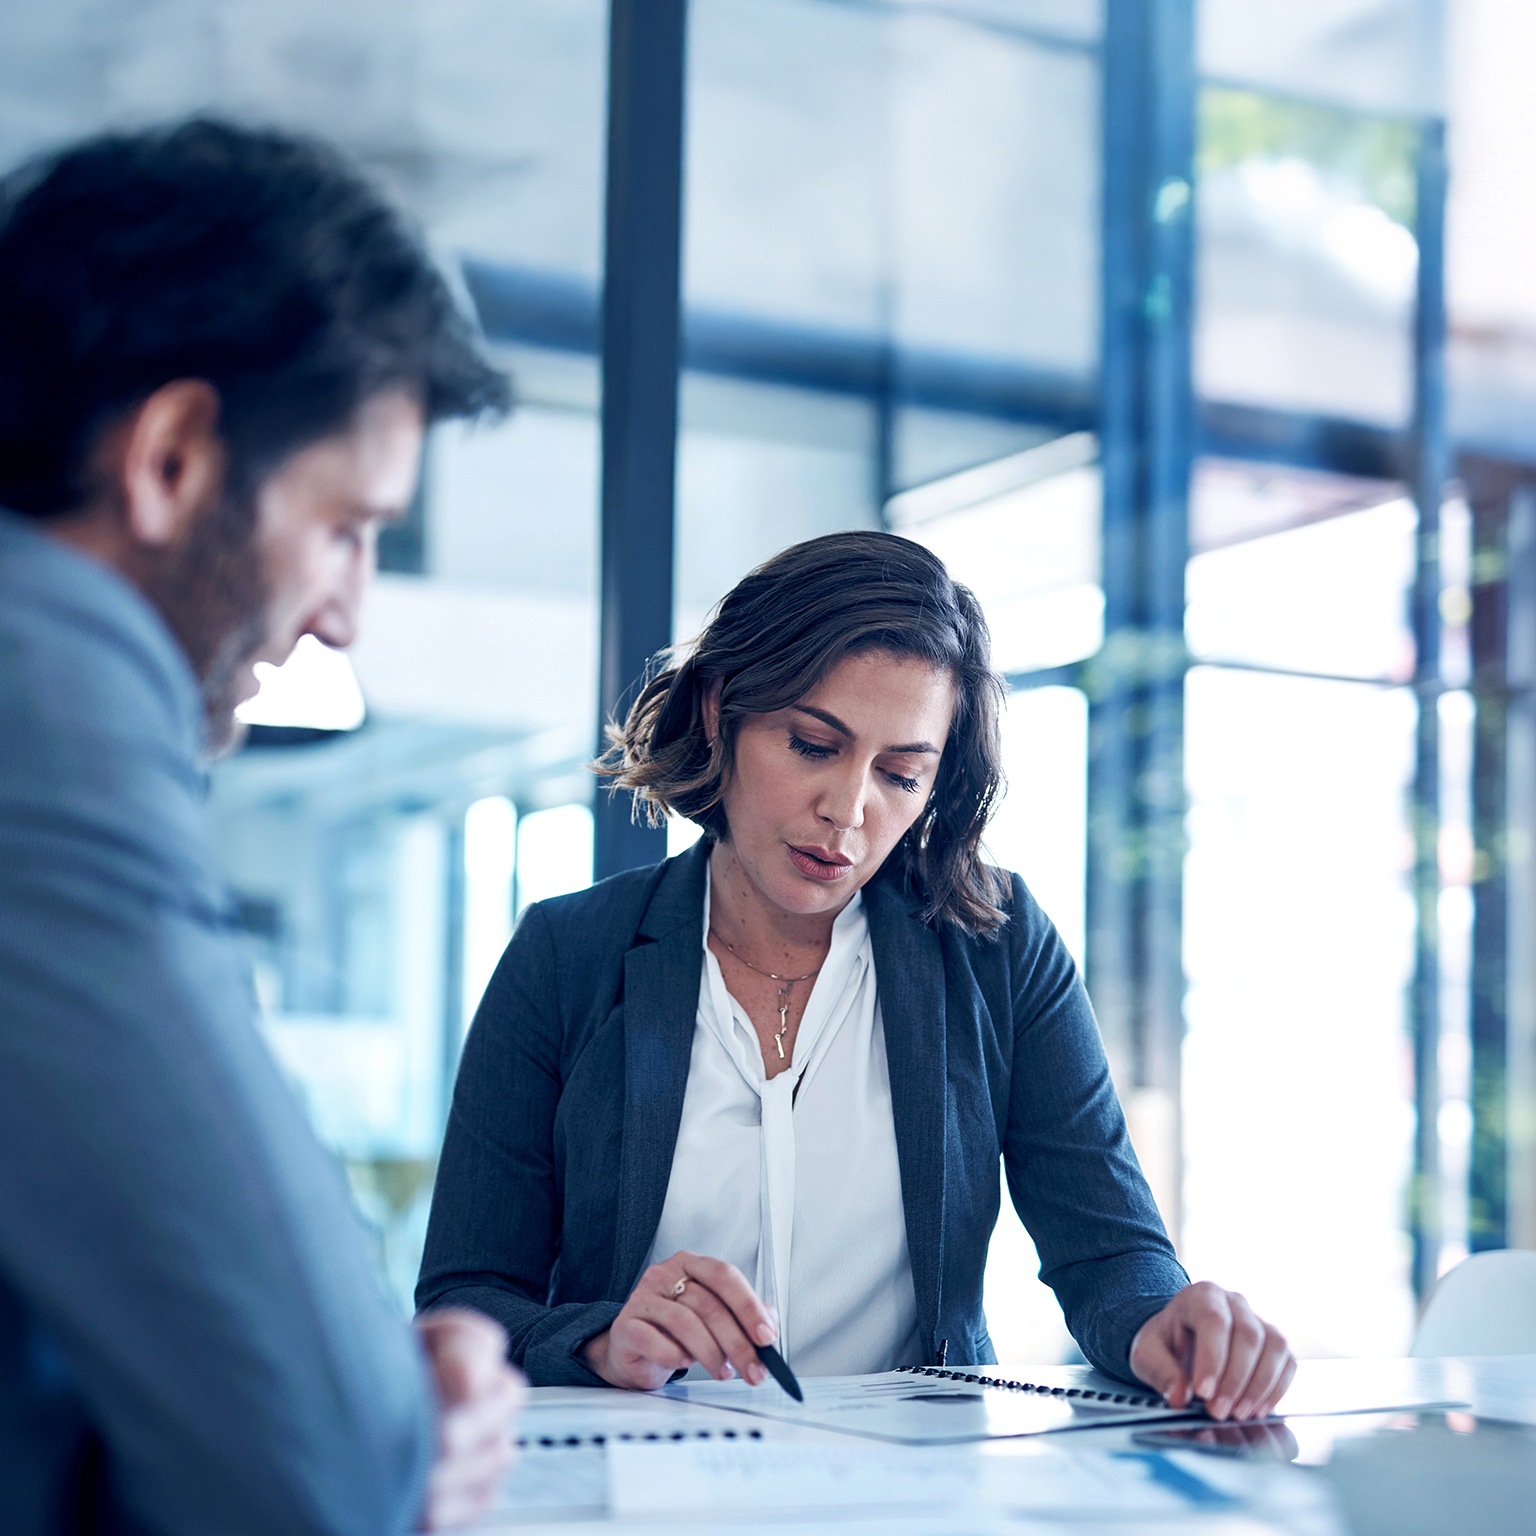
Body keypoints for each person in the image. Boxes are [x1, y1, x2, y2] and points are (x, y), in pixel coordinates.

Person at [418, 530, 1296, 1422]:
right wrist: (604, 1340)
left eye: (901, 774)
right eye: (810, 745)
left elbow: (1110, 1253)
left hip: (911, 1485)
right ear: (723, 711)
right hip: (638, 1480)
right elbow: (467, 1297)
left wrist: (1167, 1321)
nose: (848, 811)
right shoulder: (566, 953)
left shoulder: (997, 945)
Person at [0, 120, 526, 1536]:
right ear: (171, 459)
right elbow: (319, 1483)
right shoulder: (41, 696)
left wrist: (352, 1392)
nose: (346, 611)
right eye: (348, 526)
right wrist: (379, 1416)